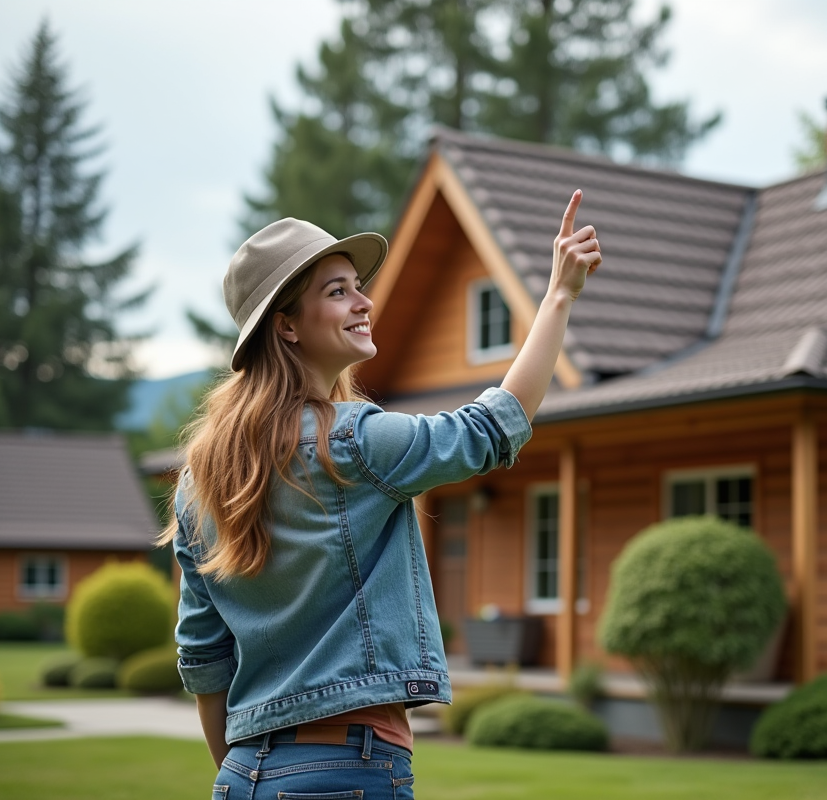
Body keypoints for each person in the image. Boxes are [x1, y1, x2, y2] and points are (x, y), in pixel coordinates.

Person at [162, 190, 601, 799]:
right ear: (285, 325)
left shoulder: (198, 479)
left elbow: (204, 658)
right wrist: (558, 297)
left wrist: (250, 777)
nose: (364, 301)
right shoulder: (354, 441)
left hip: (242, 776)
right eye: (336, 290)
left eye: (357, 286)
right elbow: (490, 429)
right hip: (350, 768)